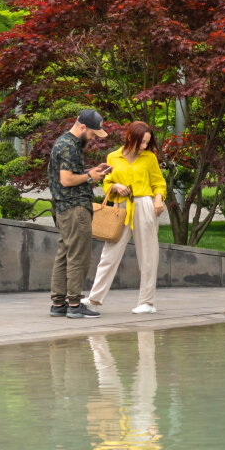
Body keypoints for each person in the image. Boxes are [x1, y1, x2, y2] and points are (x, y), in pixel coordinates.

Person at [83, 121, 167, 314]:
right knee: (109, 254)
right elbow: (107, 183)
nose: (144, 146)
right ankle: (95, 299)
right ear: (130, 137)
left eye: (147, 142)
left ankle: (147, 302)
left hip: (145, 205)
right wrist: (115, 187)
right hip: (120, 208)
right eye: (141, 142)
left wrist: (158, 200)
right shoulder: (113, 157)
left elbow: (158, 183)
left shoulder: (149, 158)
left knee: (148, 255)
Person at [48, 108, 110, 319]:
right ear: (82, 127)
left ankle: (58, 304)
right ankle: (74, 304)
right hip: (74, 208)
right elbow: (67, 180)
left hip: (64, 207)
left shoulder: (65, 143)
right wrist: (91, 177)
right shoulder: (69, 146)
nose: (93, 138)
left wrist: (90, 172)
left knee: (65, 253)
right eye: (93, 133)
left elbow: (71, 175)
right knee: (78, 256)